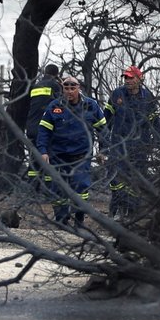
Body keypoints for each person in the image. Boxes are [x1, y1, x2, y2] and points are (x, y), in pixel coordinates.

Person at [34, 75, 107, 227]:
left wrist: (103, 150)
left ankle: (79, 218)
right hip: (58, 156)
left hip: (81, 156)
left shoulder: (90, 105)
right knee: (58, 189)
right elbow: (43, 131)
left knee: (81, 187)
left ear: (78, 88)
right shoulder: (54, 106)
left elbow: (103, 130)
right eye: (66, 88)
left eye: (72, 88)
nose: (69, 92)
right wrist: (43, 151)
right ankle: (61, 219)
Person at [103, 65, 160, 220]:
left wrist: (159, 142)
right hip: (118, 143)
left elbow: (155, 121)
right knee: (116, 177)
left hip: (140, 145)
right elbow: (106, 118)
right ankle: (117, 209)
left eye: (131, 77)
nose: (127, 80)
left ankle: (131, 211)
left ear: (139, 79)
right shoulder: (117, 94)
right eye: (126, 77)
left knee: (136, 179)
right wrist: (103, 142)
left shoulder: (148, 96)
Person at [24, 64, 61, 185]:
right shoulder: (55, 86)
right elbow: (61, 105)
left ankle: (33, 189)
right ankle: (48, 190)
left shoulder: (35, 86)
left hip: (31, 127)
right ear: (56, 74)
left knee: (34, 159)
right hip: (46, 128)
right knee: (49, 158)